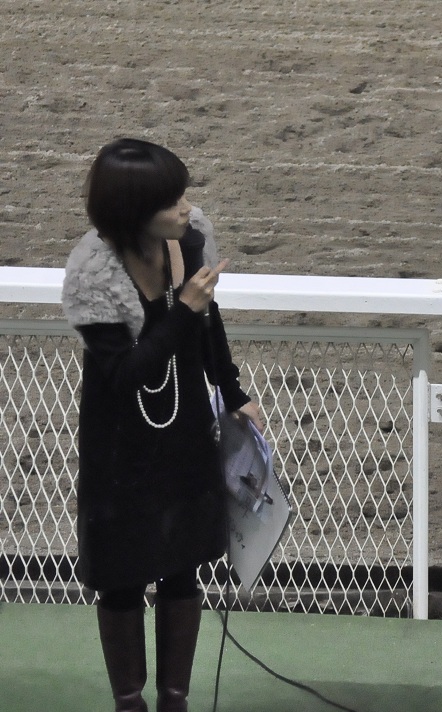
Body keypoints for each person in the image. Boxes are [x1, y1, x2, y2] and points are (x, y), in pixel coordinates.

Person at [62, 138, 263, 712]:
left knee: (182, 569)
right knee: (121, 578)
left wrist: (233, 392)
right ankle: (130, 703)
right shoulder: (93, 275)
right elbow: (127, 375)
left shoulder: (190, 241)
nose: (187, 208)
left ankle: (175, 700)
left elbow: (209, 324)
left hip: (185, 432)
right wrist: (184, 310)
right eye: (172, 201)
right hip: (120, 448)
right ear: (133, 212)